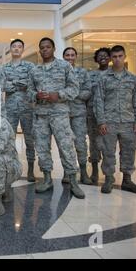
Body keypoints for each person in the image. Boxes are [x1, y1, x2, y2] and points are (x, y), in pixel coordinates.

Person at [27, 38, 86, 199]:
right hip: (41, 115)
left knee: (66, 146)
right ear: (39, 51)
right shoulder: (35, 70)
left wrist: (58, 95)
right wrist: (36, 95)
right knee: (42, 148)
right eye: (42, 48)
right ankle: (47, 178)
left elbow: (74, 89)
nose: (45, 50)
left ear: (53, 49)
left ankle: (73, 180)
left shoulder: (64, 66)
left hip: (59, 114)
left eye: (48, 47)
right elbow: (29, 92)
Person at [94, 45, 136, 195]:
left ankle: (127, 180)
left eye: (120, 56)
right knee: (108, 151)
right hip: (108, 122)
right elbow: (99, 101)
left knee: (129, 151)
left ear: (124, 57)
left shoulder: (132, 79)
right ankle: (109, 179)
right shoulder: (103, 78)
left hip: (128, 122)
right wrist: (101, 121)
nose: (117, 59)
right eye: (114, 57)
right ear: (111, 58)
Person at [3, 39, 36, 182]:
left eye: (19, 47)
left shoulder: (30, 66)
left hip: (27, 107)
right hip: (10, 108)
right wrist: (19, 85)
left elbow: (31, 84)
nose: (16, 49)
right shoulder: (4, 68)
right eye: (14, 47)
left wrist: (14, 84)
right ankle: (11, 167)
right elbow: (4, 85)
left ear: (22, 49)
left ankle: (30, 169)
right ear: (10, 49)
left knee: (29, 139)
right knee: (9, 139)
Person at [63, 47, 92, 185]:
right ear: (63, 57)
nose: (70, 57)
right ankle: (67, 172)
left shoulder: (83, 72)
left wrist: (72, 94)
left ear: (76, 57)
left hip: (79, 113)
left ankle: (84, 172)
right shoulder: (59, 71)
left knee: (80, 143)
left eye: (72, 55)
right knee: (65, 144)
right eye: (67, 55)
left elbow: (88, 91)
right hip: (62, 113)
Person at [87, 47, 110, 184]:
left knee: (108, 144)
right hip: (92, 115)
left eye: (106, 55)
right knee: (94, 144)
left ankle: (108, 173)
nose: (103, 58)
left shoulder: (113, 74)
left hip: (109, 115)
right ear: (96, 59)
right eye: (100, 56)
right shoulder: (91, 76)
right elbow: (87, 93)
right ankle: (94, 171)